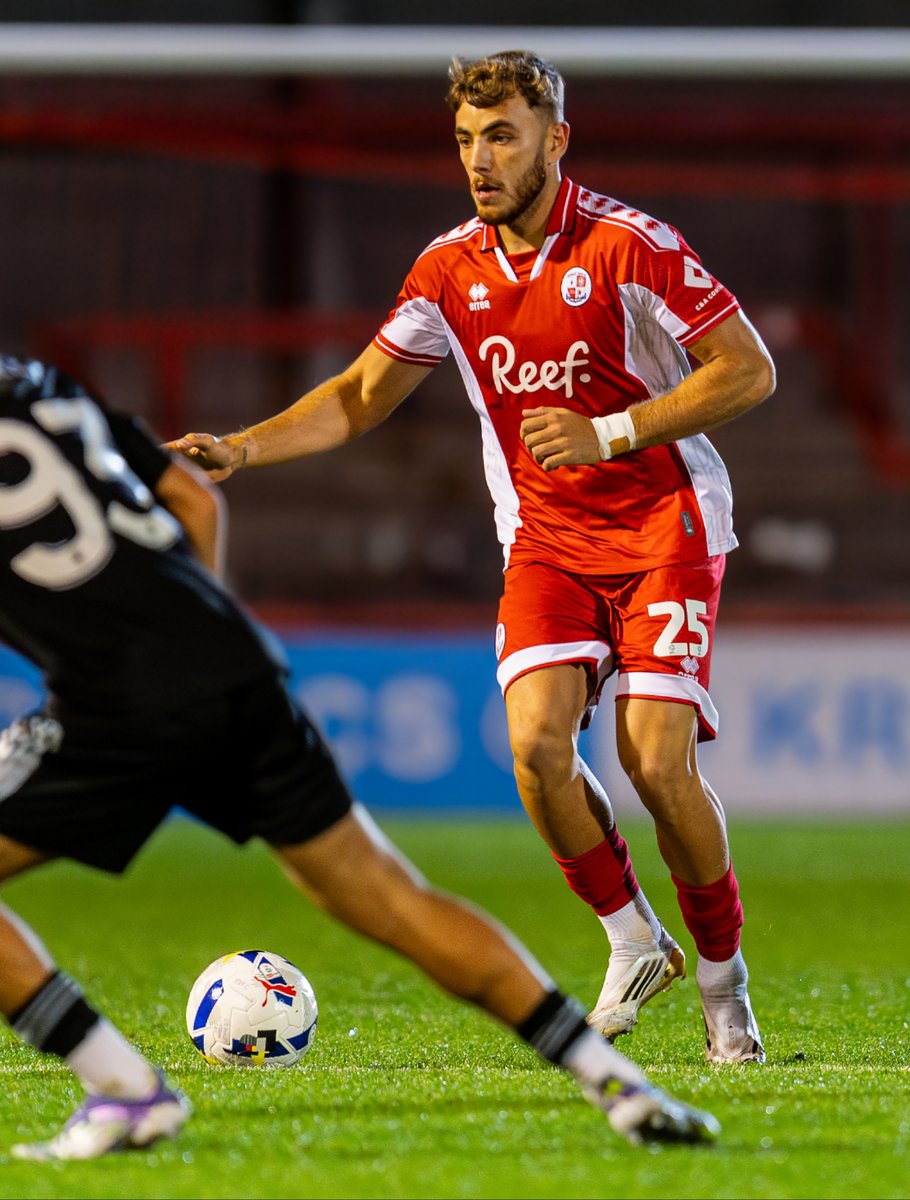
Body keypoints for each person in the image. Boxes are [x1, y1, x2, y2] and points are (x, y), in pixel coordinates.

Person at [171, 50, 775, 1065]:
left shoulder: (632, 247)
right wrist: (241, 448)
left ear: (555, 140)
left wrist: (610, 432)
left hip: (663, 527)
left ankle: (727, 995)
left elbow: (748, 371)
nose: (480, 160)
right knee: (535, 749)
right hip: (545, 540)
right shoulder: (448, 270)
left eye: (501, 135)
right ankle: (634, 940)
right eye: (465, 139)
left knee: (655, 763)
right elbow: (360, 395)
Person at [0, 354, 719, 1162]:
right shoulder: (43, 386)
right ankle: (618, 1084)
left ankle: (127, 1091)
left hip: (115, 704)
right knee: (393, 899)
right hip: (235, 669)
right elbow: (194, 499)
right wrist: (196, 644)